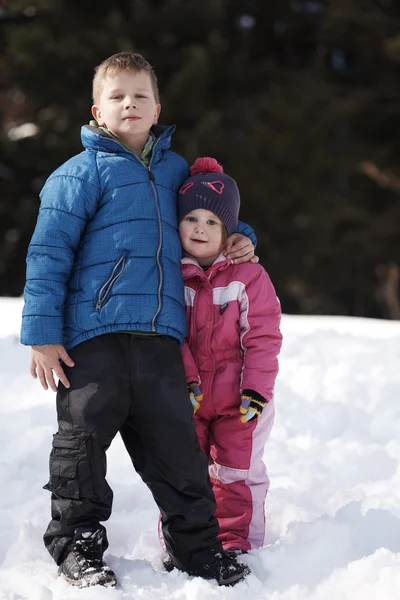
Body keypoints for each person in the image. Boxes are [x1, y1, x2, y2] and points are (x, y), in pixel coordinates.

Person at [21, 53, 257, 588]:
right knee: (81, 445)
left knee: (178, 451)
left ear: (157, 110)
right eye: (117, 96)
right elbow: (48, 253)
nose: (129, 103)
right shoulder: (78, 174)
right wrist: (42, 334)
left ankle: (197, 548)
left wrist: (244, 238)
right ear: (96, 111)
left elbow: (213, 218)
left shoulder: (178, 173)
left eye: (140, 96)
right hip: (94, 339)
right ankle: (77, 544)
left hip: (161, 343)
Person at [177, 157, 282, 555]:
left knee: (235, 473)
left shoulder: (248, 277)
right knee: (186, 473)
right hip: (189, 397)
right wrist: (184, 379)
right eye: (191, 219)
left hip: (241, 400)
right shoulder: (170, 276)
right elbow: (171, 335)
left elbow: (263, 335)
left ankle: (236, 543)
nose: (200, 228)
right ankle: (185, 544)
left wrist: (256, 388)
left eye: (212, 222)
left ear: (229, 232)